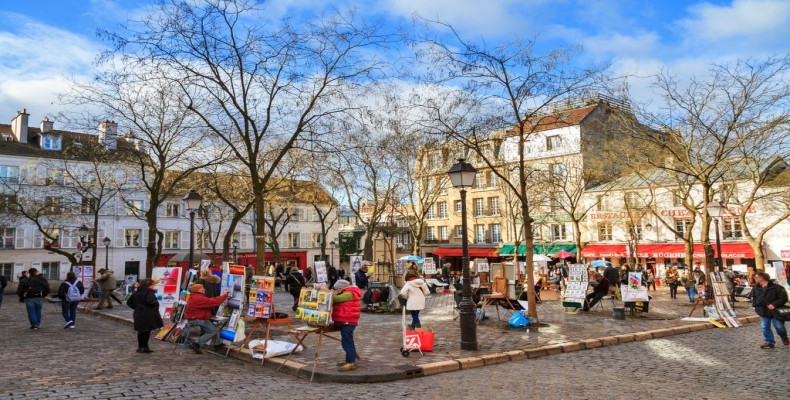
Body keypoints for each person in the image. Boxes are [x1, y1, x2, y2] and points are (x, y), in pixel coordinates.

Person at [183, 283, 228, 353]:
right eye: (202, 288)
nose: (204, 289)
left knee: (214, 328)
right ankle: (196, 344)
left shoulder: (194, 296)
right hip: (197, 319)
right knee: (213, 331)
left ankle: (217, 344)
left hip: (195, 318)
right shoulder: (198, 298)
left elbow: (209, 300)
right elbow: (215, 302)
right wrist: (224, 296)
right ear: (198, 290)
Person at [751, 272, 788, 349]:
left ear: (762, 278)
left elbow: (784, 298)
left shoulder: (777, 287)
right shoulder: (755, 288)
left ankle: (784, 337)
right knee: (765, 327)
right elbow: (754, 297)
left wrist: (774, 304)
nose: (754, 278)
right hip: (763, 311)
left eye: (756, 277)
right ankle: (769, 342)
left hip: (776, 311)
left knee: (779, 327)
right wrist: (755, 306)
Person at [332, 279, 362, 371]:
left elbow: (336, 299)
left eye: (337, 289)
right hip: (345, 320)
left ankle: (350, 362)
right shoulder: (347, 292)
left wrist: (326, 292)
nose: (337, 291)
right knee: (346, 341)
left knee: (347, 341)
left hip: (348, 321)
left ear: (342, 287)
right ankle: (350, 359)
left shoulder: (349, 293)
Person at [127, 278, 163, 354]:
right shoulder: (149, 291)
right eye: (153, 285)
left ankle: (140, 347)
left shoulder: (137, 291)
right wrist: (156, 304)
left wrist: (136, 307)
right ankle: (145, 347)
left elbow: (129, 302)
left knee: (141, 331)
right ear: (149, 285)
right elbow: (150, 301)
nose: (154, 286)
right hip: (147, 313)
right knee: (147, 330)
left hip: (138, 313)